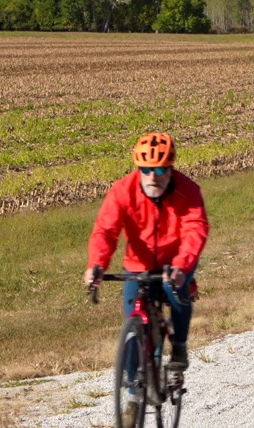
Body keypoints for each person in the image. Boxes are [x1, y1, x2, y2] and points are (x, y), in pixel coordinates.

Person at [85, 132, 209, 377]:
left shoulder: (188, 191)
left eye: (161, 171)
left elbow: (196, 228)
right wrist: (97, 264)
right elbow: (106, 231)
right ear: (138, 168)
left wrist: (181, 267)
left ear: (171, 169)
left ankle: (179, 348)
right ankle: (132, 395)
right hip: (138, 265)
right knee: (133, 327)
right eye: (146, 169)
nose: (153, 177)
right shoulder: (122, 191)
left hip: (175, 262)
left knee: (177, 296)